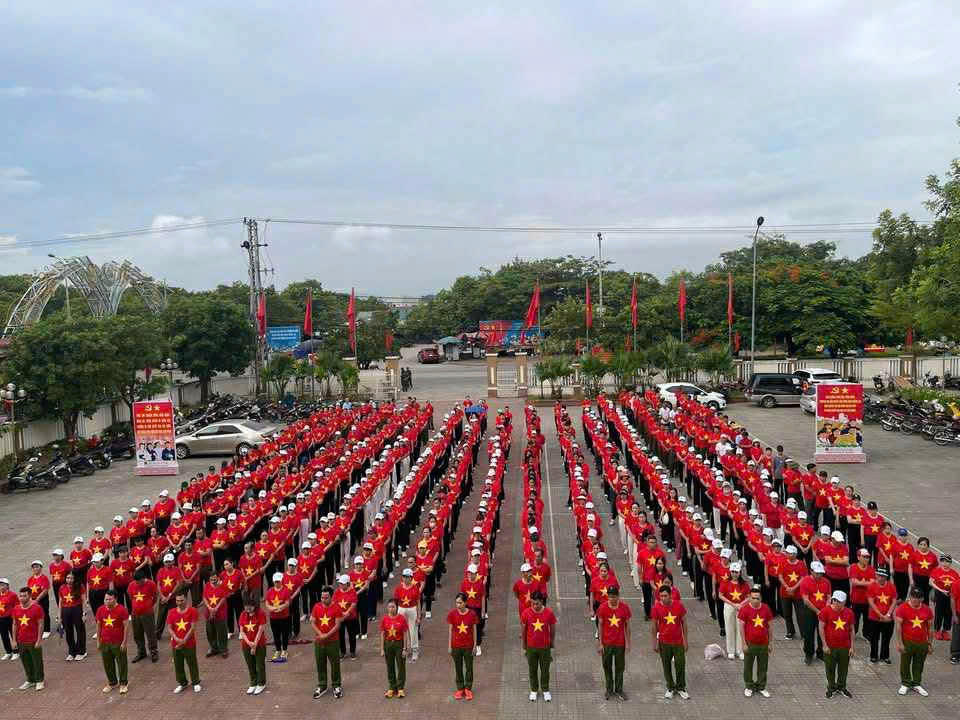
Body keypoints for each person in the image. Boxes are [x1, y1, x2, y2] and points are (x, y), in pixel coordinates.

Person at [894, 586, 933, 696]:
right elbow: (898, 627)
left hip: (922, 642)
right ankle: (905, 683)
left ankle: (916, 683)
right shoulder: (902, 608)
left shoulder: (927, 610)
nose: (915, 600)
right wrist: (900, 643)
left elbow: (930, 628)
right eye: (913, 597)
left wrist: (929, 644)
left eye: (918, 597)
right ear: (910, 597)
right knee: (905, 663)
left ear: (922, 599)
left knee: (919, 663)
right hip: (907, 640)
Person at [651, 584, 688, 699]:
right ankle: (670, 687)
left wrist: (685, 640)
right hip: (664, 642)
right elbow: (654, 626)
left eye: (665, 596)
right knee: (666, 665)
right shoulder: (656, 608)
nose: (663, 598)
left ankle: (681, 687)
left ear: (670, 595)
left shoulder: (679, 606)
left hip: (678, 641)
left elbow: (684, 623)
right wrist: (655, 642)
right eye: (661, 596)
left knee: (680, 664)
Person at [738, 585, 774, 698]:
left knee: (763, 667)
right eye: (753, 598)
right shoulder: (744, 609)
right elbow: (741, 627)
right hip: (750, 643)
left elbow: (770, 626)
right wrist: (743, 643)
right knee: (748, 666)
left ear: (761, 598)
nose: (755, 600)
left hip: (763, 643)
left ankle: (761, 686)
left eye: (757, 598)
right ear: (749, 597)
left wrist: (770, 643)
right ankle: (749, 686)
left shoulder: (766, 608)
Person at [596, 585, 631, 701]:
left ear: (618, 596)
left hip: (620, 643)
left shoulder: (624, 608)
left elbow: (627, 626)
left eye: (614, 596)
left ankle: (619, 689)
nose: (612, 599)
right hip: (607, 643)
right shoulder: (602, 608)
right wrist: (600, 643)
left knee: (620, 667)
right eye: (610, 596)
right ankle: (609, 689)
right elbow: (600, 626)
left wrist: (628, 643)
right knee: (607, 666)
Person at [520, 590, 556, 703]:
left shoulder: (549, 613)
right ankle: (534, 689)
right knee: (532, 669)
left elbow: (553, 628)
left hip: (545, 647)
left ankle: (545, 689)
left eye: (537, 603)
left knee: (545, 669)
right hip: (531, 647)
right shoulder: (526, 613)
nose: (535, 606)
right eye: (533, 603)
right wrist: (524, 644)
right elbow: (523, 630)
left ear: (542, 601)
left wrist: (552, 642)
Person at [818, 590, 854, 698]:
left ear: (844, 602)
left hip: (844, 646)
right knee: (830, 668)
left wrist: (852, 647)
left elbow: (852, 630)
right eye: (835, 600)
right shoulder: (825, 611)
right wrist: (824, 645)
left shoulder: (849, 613)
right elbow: (821, 628)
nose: (837, 603)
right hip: (830, 646)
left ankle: (841, 687)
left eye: (840, 601)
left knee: (844, 668)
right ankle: (831, 687)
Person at [311, 585, 343, 699]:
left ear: (331, 597)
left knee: (335, 664)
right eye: (322, 597)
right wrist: (320, 634)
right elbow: (312, 622)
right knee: (320, 664)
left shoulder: (337, 608)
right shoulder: (316, 607)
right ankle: (322, 685)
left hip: (333, 642)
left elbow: (337, 625)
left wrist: (326, 635)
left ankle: (336, 685)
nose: (323, 600)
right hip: (319, 642)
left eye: (326, 597)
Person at [167, 588, 202, 693]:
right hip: (176, 644)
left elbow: (192, 628)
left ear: (186, 599)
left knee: (192, 663)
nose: (179, 603)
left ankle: (195, 682)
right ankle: (182, 683)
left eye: (181, 600)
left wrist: (184, 640)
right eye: (177, 601)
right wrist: (177, 639)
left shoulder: (192, 611)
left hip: (189, 643)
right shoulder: (171, 612)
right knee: (178, 664)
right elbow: (169, 628)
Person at [96, 589, 130, 694]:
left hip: (118, 642)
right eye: (106, 599)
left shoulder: (122, 610)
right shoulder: (100, 610)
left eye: (110, 599)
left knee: (121, 663)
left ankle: (123, 683)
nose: (107, 601)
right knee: (107, 663)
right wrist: (98, 640)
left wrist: (124, 642)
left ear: (115, 599)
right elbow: (98, 625)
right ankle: (112, 682)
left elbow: (126, 626)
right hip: (105, 641)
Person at [12, 586, 45, 691]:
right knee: (25, 661)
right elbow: (14, 624)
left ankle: (39, 680)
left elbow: (41, 624)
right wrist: (14, 640)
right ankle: (30, 680)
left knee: (37, 661)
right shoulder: (16, 609)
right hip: (21, 640)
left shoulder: (37, 608)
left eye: (24, 596)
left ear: (30, 596)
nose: (21, 598)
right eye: (20, 596)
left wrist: (39, 640)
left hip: (33, 640)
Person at [448, 592, 477, 700]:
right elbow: (450, 630)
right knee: (458, 667)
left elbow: (474, 630)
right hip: (456, 646)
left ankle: (468, 688)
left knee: (469, 667)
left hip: (468, 646)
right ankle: (460, 688)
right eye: (456, 603)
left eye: (460, 603)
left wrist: (475, 645)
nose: (458, 605)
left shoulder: (472, 614)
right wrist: (449, 646)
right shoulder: (452, 614)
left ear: (465, 603)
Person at [718, 561, 749, 660]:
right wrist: (732, 604)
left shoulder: (744, 584)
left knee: (740, 629)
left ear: (740, 572)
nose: (734, 574)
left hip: (741, 607)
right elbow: (720, 595)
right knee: (729, 628)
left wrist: (741, 604)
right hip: (729, 606)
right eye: (733, 572)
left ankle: (740, 651)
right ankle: (730, 650)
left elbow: (749, 596)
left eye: (736, 572)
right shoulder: (725, 582)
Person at [128, 569, 159, 663]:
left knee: (150, 633)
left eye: (139, 581)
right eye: (136, 581)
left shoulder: (151, 584)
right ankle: (141, 652)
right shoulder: (131, 585)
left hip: (147, 613)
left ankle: (153, 651)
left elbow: (155, 596)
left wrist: (150, 606)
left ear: (143, 578)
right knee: (137, 634)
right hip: (135, 614)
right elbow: (130, 596)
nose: (137, 583)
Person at [238, 594, 267, 695]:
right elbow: (242, 631)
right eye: (246, 606)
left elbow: (260, 630)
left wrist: (254, 644)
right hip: (246, 645)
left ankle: (261, 683)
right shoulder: (243, 615)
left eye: (250, 606)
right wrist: (249, 643)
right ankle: (253, 683)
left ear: (254, 605)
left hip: (259, 644)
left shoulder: (261, 614)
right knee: (250, 665)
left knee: (259, 665)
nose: (248, 608)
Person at [866, 567, 896, 664]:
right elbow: (871, 602)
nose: (881, 578)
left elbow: (894, 601)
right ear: (876, 575)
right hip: (874, 618)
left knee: (886, 638)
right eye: (879, 576)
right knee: (874, 638)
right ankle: (873, 656)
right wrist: (881, 615)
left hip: (888, 618)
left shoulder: (891, 586)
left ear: (886, 577)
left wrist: (888, 614)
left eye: (883, 576)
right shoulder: (871, 586)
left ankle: (885, 656)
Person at [380, 598, 408, 698]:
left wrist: (405, 648)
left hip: (399, 644)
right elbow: (382, 634)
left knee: (401, 666)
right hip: (388, 644)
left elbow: (405, 634)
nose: (391, 609)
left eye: (393, 607)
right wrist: (382, 649)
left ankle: (400, 688)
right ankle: (392, 687)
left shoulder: (401, 619)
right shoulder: (385, 619)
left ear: (397, 607)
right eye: (389, 607)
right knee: (390, 666)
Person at [393, 567, 421, 662]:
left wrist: (419, 616)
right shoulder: (398, 588)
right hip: (401, 609)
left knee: (413, 631)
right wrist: (395, 615)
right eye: (404, 576)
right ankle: (406, 649)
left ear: (411, 578)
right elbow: (395, 602)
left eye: (408, 577)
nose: (406, 578)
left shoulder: (415, 588)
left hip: (412, 609)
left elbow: (418, 602)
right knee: (402, 630)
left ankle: (415, 650)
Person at [58, 571, 86, 661]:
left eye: (71, 578)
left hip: (77, 609)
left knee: (80, 631)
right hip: (65, 611)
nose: (69, 580)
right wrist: (59, 616)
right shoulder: (62, 587)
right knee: (68, 632)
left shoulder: (80, 586)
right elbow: (60, 602)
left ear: (75, 579)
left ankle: (81, 651)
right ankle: (71, 652)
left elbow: (84, 600)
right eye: (68, 578)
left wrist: (84, 613)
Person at [265, 572, 291, 662]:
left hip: (284, 617)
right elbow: (267, 603)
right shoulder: (270, 591)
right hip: (273, 617)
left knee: (284, 634)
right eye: (276, 581)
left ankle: (284, 650)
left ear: (281, 581)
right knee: (276, 634)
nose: (277, 583)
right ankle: (278, 650)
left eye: (279, 581)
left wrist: (279, 608)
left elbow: (287, 603)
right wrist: (272, 609)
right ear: (273, 581)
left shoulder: (286, 590)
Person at [203, 571, 228, 658]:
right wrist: (210, 608)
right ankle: (213, 648)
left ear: (218, 578)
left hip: (220, 613)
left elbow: (223, 598)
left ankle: (223, 649)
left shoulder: (223, 586)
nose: (213, 581)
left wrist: (216, 608)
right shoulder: (207, 585)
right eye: (211, 579)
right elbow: (204, 598)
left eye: (215, 579)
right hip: (209, 613)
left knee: (222, 632)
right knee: (210, 631)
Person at [0, 577, 17, 660]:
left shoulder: (12, 595)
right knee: (4, 636)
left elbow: (17, 607)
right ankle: (8, 652)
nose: (1, 587)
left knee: (13, 635)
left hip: (10, 618)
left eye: (3, 585)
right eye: (0, 585)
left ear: (7, 586)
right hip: (1, 619)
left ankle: (16, 652)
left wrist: (15, 618)